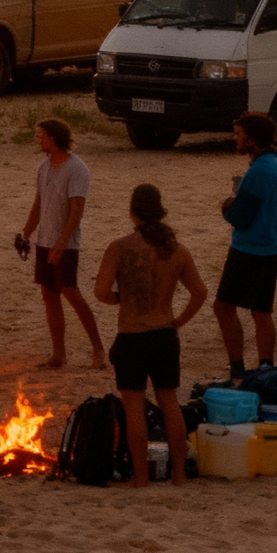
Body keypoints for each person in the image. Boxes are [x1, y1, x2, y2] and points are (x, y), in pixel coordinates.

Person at [93, 185, 207, 488]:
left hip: (132, 336)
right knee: (169, 402)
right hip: (164, 335)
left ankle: (141, 478)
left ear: (132, 212)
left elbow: (100, 291)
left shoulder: (119, 248)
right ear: (160, 210)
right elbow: (200, 292)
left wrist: (121, 299)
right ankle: (179, 475)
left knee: (134, 407)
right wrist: (178, 321)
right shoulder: (177, 250)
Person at [17, 118, 104, 369]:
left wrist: (62, 242)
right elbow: (38, 202)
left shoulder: (77, 169)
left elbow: (77, 210)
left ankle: (98, 349)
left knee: (71, 293)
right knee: (49, 294)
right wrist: (26, 233)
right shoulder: (43, 168)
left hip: (65, 242)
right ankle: (59, 354)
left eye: (41, 136)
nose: (39, 140)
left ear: (53, 139)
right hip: (44, 240)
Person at [214, 111, 277, 378]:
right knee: (261, 311)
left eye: (240, 135)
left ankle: (237, 369)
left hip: (249, 250)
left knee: (223, 307)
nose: (236, 139)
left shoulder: (258, 171)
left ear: (252, 139)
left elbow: (240, 218)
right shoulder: (276, 167)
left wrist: (227, 207)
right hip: (271, 249)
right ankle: (266, 367)